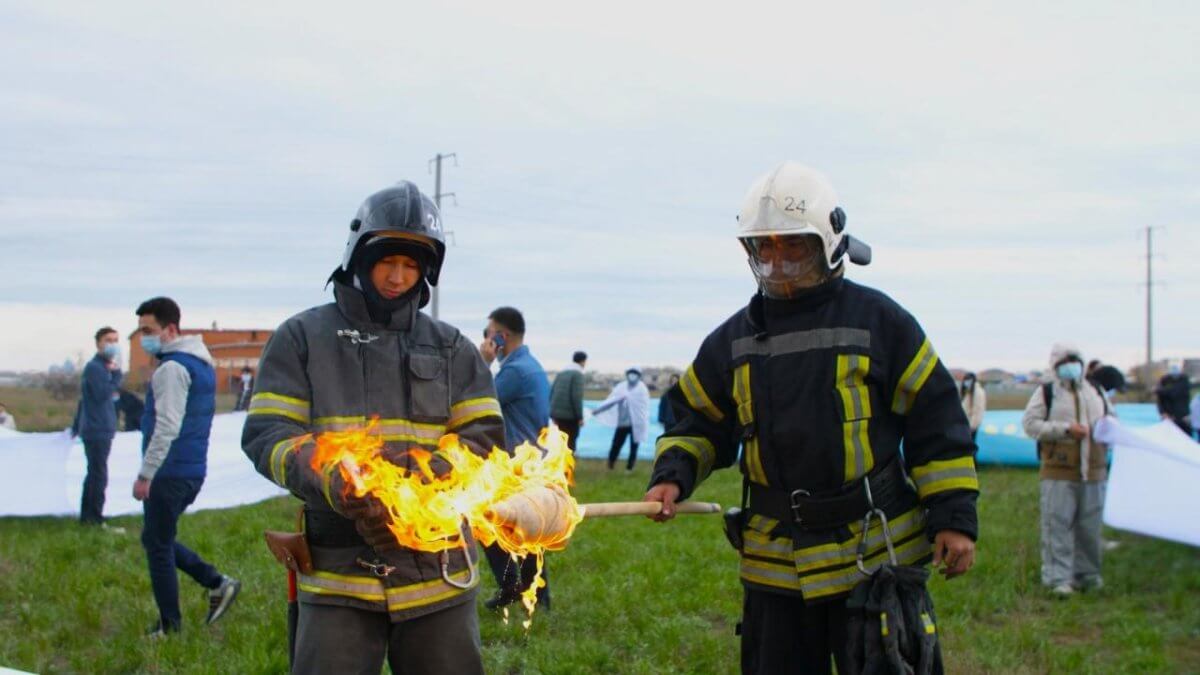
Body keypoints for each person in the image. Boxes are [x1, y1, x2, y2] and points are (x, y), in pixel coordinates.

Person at [643, 162, 978, 674]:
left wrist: (953, 517)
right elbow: (697, 422)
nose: (777, 262)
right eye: (765, 247)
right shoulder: (731, 342)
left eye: (792, 245)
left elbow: (936, 421)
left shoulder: (880, 322)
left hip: (874, 554)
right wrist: (672, 477)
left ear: (828, 242)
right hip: (775, 567)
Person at [242, 182, 504, 673]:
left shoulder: (452, 347)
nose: (398, 278)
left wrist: (423, 478)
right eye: (388, 262)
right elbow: (268, 434)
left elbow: (485, 439)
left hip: (438, 571)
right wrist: (331, 478)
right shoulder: (302, 338)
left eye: (411, 266)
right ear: (359, 257)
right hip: (339, 573)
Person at [133, 298, 240, 636]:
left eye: (149, 331)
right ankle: (216, 582)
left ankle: (170, 625)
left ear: (171, 329)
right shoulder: (200, 364)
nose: (143, 339)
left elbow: (167, 426)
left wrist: (145, 474)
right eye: (140, 331)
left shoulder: (172, 369)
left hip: (169, 471)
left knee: (158, 545)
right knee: (157, 539)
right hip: (190, 469)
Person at [1021, 343, 1112, 596]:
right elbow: (1030, 424)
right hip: (1059, 469)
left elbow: (1111, 419)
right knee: (1057, 524)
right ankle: (1057, 578)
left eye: (1074, 362)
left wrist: (1107, 430)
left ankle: (1088, 575)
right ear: (1055, 366)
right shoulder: (1047, 392)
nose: (1070, 367)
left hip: (1094, 470)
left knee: (1090, 526)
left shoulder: (1096, 391)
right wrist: (1065, 430)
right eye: (1064, 363)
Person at [478, 306, 553, 611]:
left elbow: (480, 400)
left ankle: (519, 592)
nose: (485, 339)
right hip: (527, 462)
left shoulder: (515, 371)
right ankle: (530, 595)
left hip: (515, 464)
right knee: (524, 533)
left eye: (488, 333)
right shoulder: (529, 365)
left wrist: (483, 363)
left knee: (492, 527)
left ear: (501, 335)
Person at [70, 326, 123, 527]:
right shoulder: (96, 368)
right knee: (98, 474)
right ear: (98, 343)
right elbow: (102, 395)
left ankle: (89, 516)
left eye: (115, 340)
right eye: (108, 340)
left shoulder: (102, 367)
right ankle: (94, 517)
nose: (113, 344)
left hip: (98, 427)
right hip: (97, 429)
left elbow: (85, 400)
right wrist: (117, 376)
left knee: (95, 472)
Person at [593, 368, 651, 471]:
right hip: (623, 423)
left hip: (636, 424)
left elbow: (644, 407)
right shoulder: (621, 387)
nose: (632, 376)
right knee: (616, 444)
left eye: (635, 374)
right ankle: (610, 464)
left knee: (634, 447)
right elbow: (611, 401)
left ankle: (629, 467)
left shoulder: (642, 389)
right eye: (630, 373)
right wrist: (598, 410)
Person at [549, 351, 587, 452]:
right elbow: (576, 397)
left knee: (560, 442)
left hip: (557, 414)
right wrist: (580, 417)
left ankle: (556, 465)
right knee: (570, 443)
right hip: (570, 416)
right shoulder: (578, 374)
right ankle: (567, 466)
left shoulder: (561, 373)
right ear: (583, 361)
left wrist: (552, 413)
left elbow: (552, 391)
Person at [1155, 365, 1192, 435]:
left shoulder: (1184, 381)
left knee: (1186, 436)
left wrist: (1187, 414)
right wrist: (1163, 413)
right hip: (1169, 416)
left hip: (1182, 416)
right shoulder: (1164, 382)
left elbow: (1185, 399)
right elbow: (1160, 400)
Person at [960, 371, 986, 441]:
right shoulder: (968, 391)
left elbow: (978, 410)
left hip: (970, 426)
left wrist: (972, 426)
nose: (966, 382)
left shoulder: (977, 392)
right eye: (965, 380)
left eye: (968, 380)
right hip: (965, 425)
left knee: (969, 446)